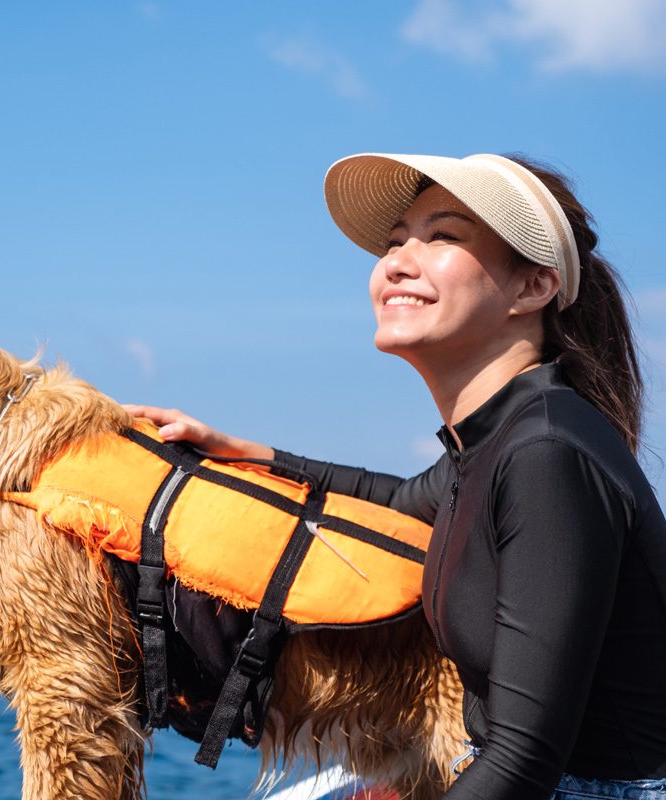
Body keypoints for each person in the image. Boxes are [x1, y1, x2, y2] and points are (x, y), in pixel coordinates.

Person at [125, 153, 666, 799]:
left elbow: (525, 763)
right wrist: (246, 452)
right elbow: (398, 498)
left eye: (443, 236)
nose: (397, 262)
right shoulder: (496, 442)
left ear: (533, 289)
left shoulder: (545, 454)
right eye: (395, 242)